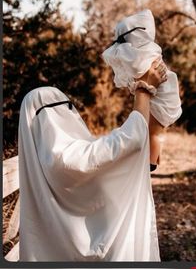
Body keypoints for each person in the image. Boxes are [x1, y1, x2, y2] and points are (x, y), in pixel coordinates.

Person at [18, 59, 167, 261]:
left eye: (65, 107)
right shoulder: (64, 158)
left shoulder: (57, 157)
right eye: (53, 109)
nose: (60, 116)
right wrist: (143, 91)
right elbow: (129, 141)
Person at [102, 9, 182, 169]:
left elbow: (137, 68)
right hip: (161, 96)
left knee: (154, 132)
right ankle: (153, 161)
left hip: (161, 98)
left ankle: (150, 165)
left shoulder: (146, 53)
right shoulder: (146, 51)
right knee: (152, 131)